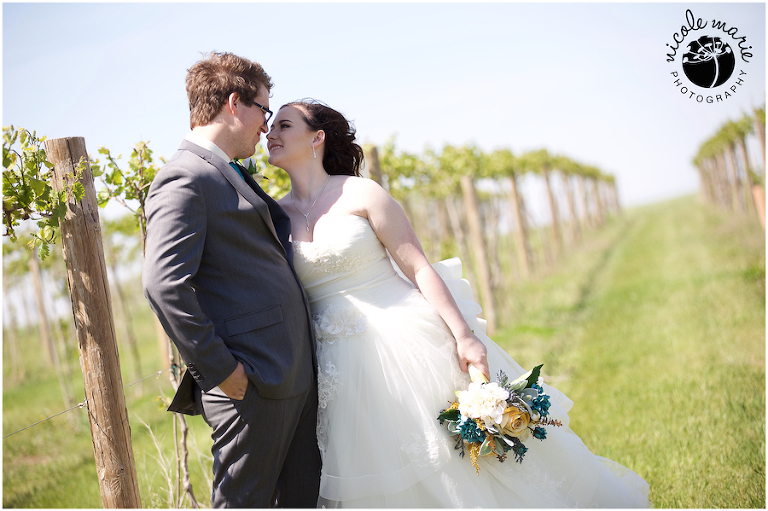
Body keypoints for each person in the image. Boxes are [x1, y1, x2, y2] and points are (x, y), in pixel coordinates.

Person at [265, 99, 651, 507]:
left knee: (456, 463)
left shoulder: (362, 194)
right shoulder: (274, 214)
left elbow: (419, 268)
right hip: (332, 364)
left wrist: (464, 336)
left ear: (317, 138)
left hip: (403, 343)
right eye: (271, 125)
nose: (271, 133)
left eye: (284, 125)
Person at [142, 53, 320, 508]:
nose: (266, 126)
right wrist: (222, 371)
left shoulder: (222, 170)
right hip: (253, 386)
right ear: (235, 103)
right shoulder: (185, 177)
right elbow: (165, 285)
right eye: (264, 110)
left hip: (289, 376)